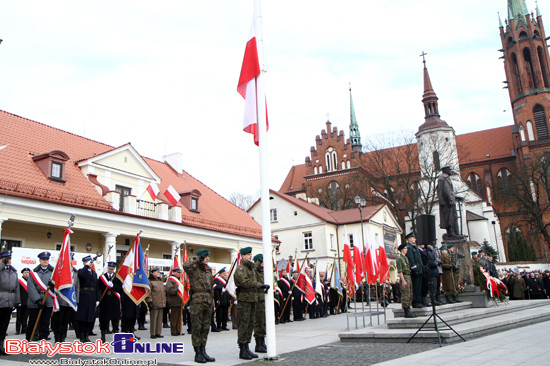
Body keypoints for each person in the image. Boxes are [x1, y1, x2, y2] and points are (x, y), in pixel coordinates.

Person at [234, 247, 269, 360]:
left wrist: (263, 258)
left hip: (252, 299)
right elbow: (245, 282)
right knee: (244, 325)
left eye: (251, 254)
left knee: (249, 325)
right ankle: (242, 349)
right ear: (242, 256)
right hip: (245, 300)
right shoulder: (241, 269)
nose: (250, 256)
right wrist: (260, 285)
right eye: (248, 254)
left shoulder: (251, 268)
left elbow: (257, 265)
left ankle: (247, 347)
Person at [182, 248, 215, 364]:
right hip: (197, 301)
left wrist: (212, 301)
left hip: (208, 300)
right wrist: (197, 260)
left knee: (205, 328)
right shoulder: (193, 268)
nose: (207, 258)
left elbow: (211, 286)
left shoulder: (208, 269)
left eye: (208, 257)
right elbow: (185, 265)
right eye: (205, 256)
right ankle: (197, 353)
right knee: (197, 327)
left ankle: (203, 350)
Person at [26, 251, 54, 342]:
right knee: (33, 322)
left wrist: (53, 284)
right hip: (35, 301)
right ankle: (31, 339)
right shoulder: (33, 272)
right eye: (43, 259)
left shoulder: (53, 272)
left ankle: (43, 340)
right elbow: (31, 287)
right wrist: (37, 300)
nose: (45, 261)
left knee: (45, 323)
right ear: (40, 260)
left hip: (48, 299)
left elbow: (57, 285)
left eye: (47, 259)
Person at [51, 254, 79, 343]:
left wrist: (76, 301)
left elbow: (77, 287)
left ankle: (63, 338)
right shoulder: (59, 272)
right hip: (60, 301)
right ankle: (57, 338)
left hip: (70, 301)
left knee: (66, 321)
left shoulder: (75, 273)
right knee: (58, 320)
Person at [75, 255, 99, 343]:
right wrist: (85, 266)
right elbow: (81, 276)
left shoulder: (94, 273)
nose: (90, 264)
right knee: (83, 317)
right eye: (88, 262)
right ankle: (82, 336)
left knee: (90, 317)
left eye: (91, 262)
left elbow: (96, 286)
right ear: (84, 263)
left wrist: (97, 299)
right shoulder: (81, 271)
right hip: (84, 296)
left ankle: (86, 335)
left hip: (92, 296)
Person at [0, 250, 20, 355]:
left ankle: (1, 345)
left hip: (9, 300)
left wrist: (17, 301)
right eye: (5, 258)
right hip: (1, 299)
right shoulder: (1, 269)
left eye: (9, 258)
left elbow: (16, 287)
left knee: (4, 325)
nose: (8, 260)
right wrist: (2, 264)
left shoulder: (13, 271)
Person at [98, 262, 121, 342]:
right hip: (105, 301)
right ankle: (103, 336)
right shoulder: (102, 278)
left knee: (115, 319)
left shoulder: (117, 278)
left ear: (114, 269)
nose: (111, 270)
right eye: (109, 269)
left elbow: (120, 289)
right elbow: (99, 289)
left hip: (114, 301)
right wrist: (98, 300)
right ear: (107, 268)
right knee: (104, 319)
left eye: (112, 269)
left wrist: (113, 286)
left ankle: (116, 336)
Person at [436, 166, 462, 240]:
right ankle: (451, 233)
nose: (450, 171)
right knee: (449, 218)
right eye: (449, 170)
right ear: (446, 170)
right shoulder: (443, 178)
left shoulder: (446, 178)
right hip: (447, 202)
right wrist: (450, 199)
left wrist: (455, 197)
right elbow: (445, 190)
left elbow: (449, 191)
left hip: (450, 200)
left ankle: (456, 232)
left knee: (454, 217)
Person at [405, 232, 424, 308]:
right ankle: (415, 301)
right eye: (413, 238)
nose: (415, 239)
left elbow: (419, 259)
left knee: (419, 287)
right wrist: (414, 269)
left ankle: (419, 300)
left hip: (419, 270)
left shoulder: (415, 247)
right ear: (409, 239)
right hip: (415, 270)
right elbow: (411, 259)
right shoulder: (409, 248)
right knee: (415, 287)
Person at [396, 244, 416, 318]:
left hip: (408, 275)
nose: (406, 249)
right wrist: (403, 280)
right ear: (401, 249)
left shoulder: (406, 258)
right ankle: (406, 310)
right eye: (405, 248)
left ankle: (409, 308)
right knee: (405, 294)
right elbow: (400, 271)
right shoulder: (399, 259)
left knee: (410, 293)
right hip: (404, 276)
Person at [252, 254, 267, 353]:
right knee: (258, 322)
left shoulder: (263, 271)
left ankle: (262, 341)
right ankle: (258, 344)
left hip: (264, 299)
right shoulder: (254, 270)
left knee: (264, 322)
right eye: (261, 261)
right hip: (258, 300)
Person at [146, 267, 166, 339]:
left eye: (159, 272)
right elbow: (148, 292)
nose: (158, 273)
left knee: (159, 319)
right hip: (154, 302)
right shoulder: (150, 281)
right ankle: (153, 333)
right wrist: (149, 301)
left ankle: (158, 332)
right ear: (152, 273)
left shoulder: (160, 281)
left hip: (161, 302)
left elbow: (163, 292)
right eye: (157, 272)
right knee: (154, 319)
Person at [166, 268, 184, 337]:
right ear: (174, 272)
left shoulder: (179, 280)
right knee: (174, 317)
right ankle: (173, 331)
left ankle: (178, 330)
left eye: (180, 272)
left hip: (180, 301)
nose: (179, 274)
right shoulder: (170, 280)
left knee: (179, 317)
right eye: (178, 272)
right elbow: (170, 291)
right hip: (174, 301)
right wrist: (178, 287)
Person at [16, 267, 30, 336]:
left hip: (27, 302)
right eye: (25, 272)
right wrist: (17, 301)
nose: (26, 274)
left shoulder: (30, 281)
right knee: (19, 317)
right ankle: (18, 330)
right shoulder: (19, 281)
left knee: (25, 317)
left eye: (27, 272)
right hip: (21, 301)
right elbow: (17, 291)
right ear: (22, 273)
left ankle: (24, 329)